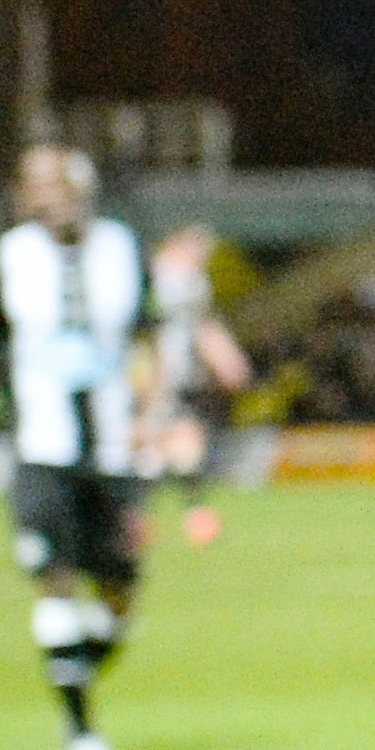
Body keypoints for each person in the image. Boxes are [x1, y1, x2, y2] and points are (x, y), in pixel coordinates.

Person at [0, 145, 145, 750]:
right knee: (54, 582)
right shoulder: (8, 257)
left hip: (112, 447)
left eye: (61, 182)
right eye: (37, 185)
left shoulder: (119, 246)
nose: (50, 195)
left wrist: (159, 414)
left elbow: (151, 333)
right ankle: (83, 732)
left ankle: (73, 677)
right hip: (42, 446)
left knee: (119, 598)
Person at [138, 222, 252, 545]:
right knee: (161, 444)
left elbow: (202, 324)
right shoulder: (157, 277)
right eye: (199, 247)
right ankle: (146, 516)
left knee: (176, 443)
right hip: (155, 373)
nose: (204, 255)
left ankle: (169, 515)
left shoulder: (192, 281)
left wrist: (226, 358)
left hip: (178, 374)